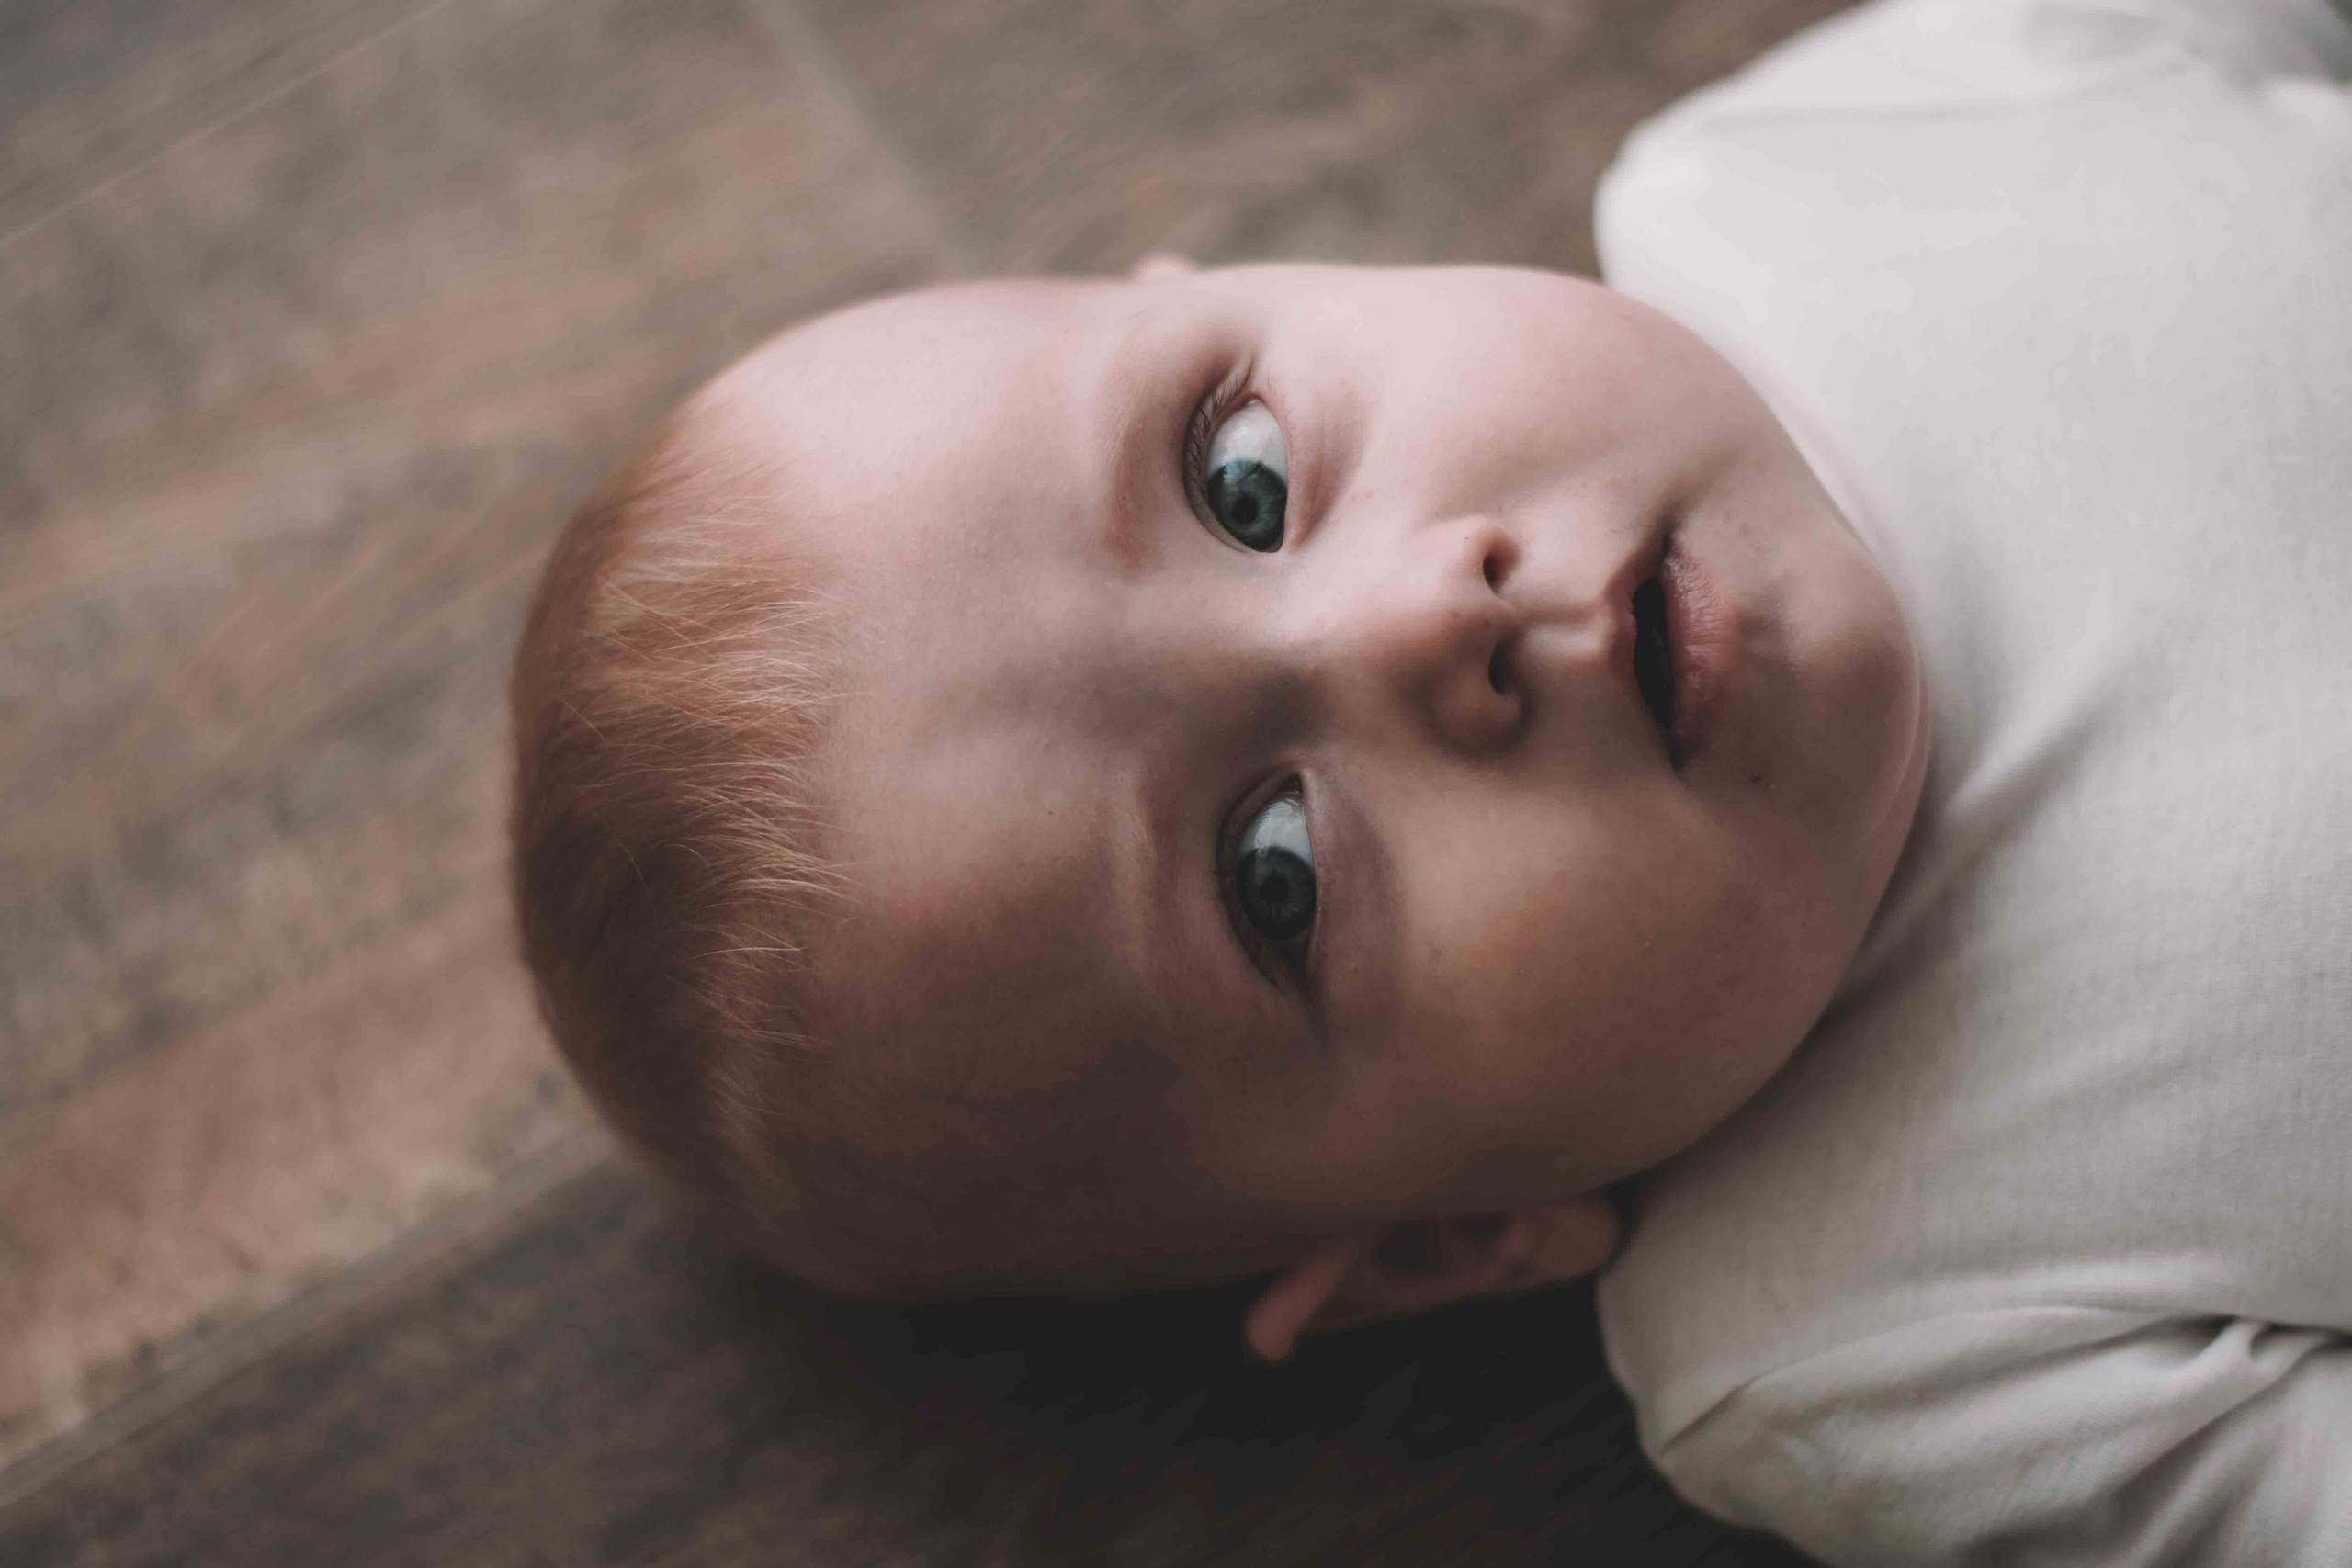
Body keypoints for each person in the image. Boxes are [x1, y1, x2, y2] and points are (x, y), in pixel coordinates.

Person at [508, 0, 2351, 1558]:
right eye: (1276, 874)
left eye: (1239, 479)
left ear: (1250, 278)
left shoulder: (1790, 176)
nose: (1417, 617)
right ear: (1450, 1243)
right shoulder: (1874, 1338)